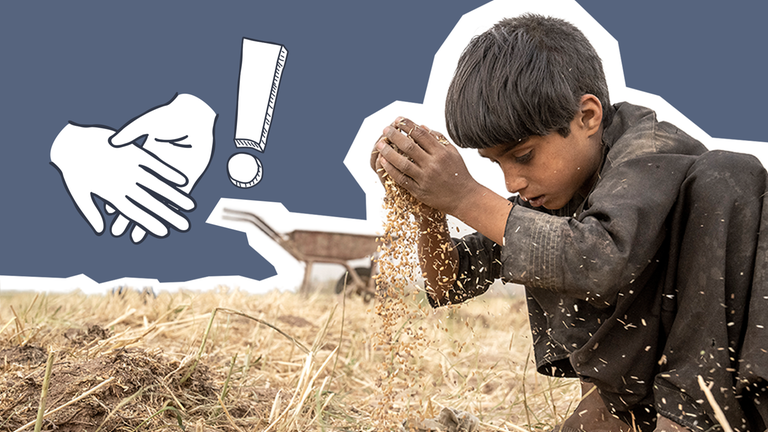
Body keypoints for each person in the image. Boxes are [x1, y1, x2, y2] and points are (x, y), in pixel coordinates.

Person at [371, 14, 768, 432]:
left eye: (522, 156)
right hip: (631, 396)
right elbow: (449, 283)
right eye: (495, 163)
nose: (512, 181)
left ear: (588, 115)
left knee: (727, 174)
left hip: (722, 390)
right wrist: (429, 204)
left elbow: (597, 257)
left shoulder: (650, 152)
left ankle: (688, 415)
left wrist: (464, 195)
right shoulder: (549, 195)